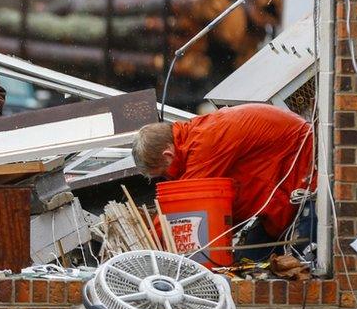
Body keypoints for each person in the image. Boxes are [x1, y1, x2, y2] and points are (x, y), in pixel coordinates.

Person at [131, 103, 315, 260]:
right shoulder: (199, 134)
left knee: (297, 262)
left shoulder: (205, 142)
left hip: (306, 184)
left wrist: (144, 247)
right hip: (285, 189)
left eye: (165, 173)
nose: (169, 179)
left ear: (168, 154)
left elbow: (182, 207)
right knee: (248, 261)